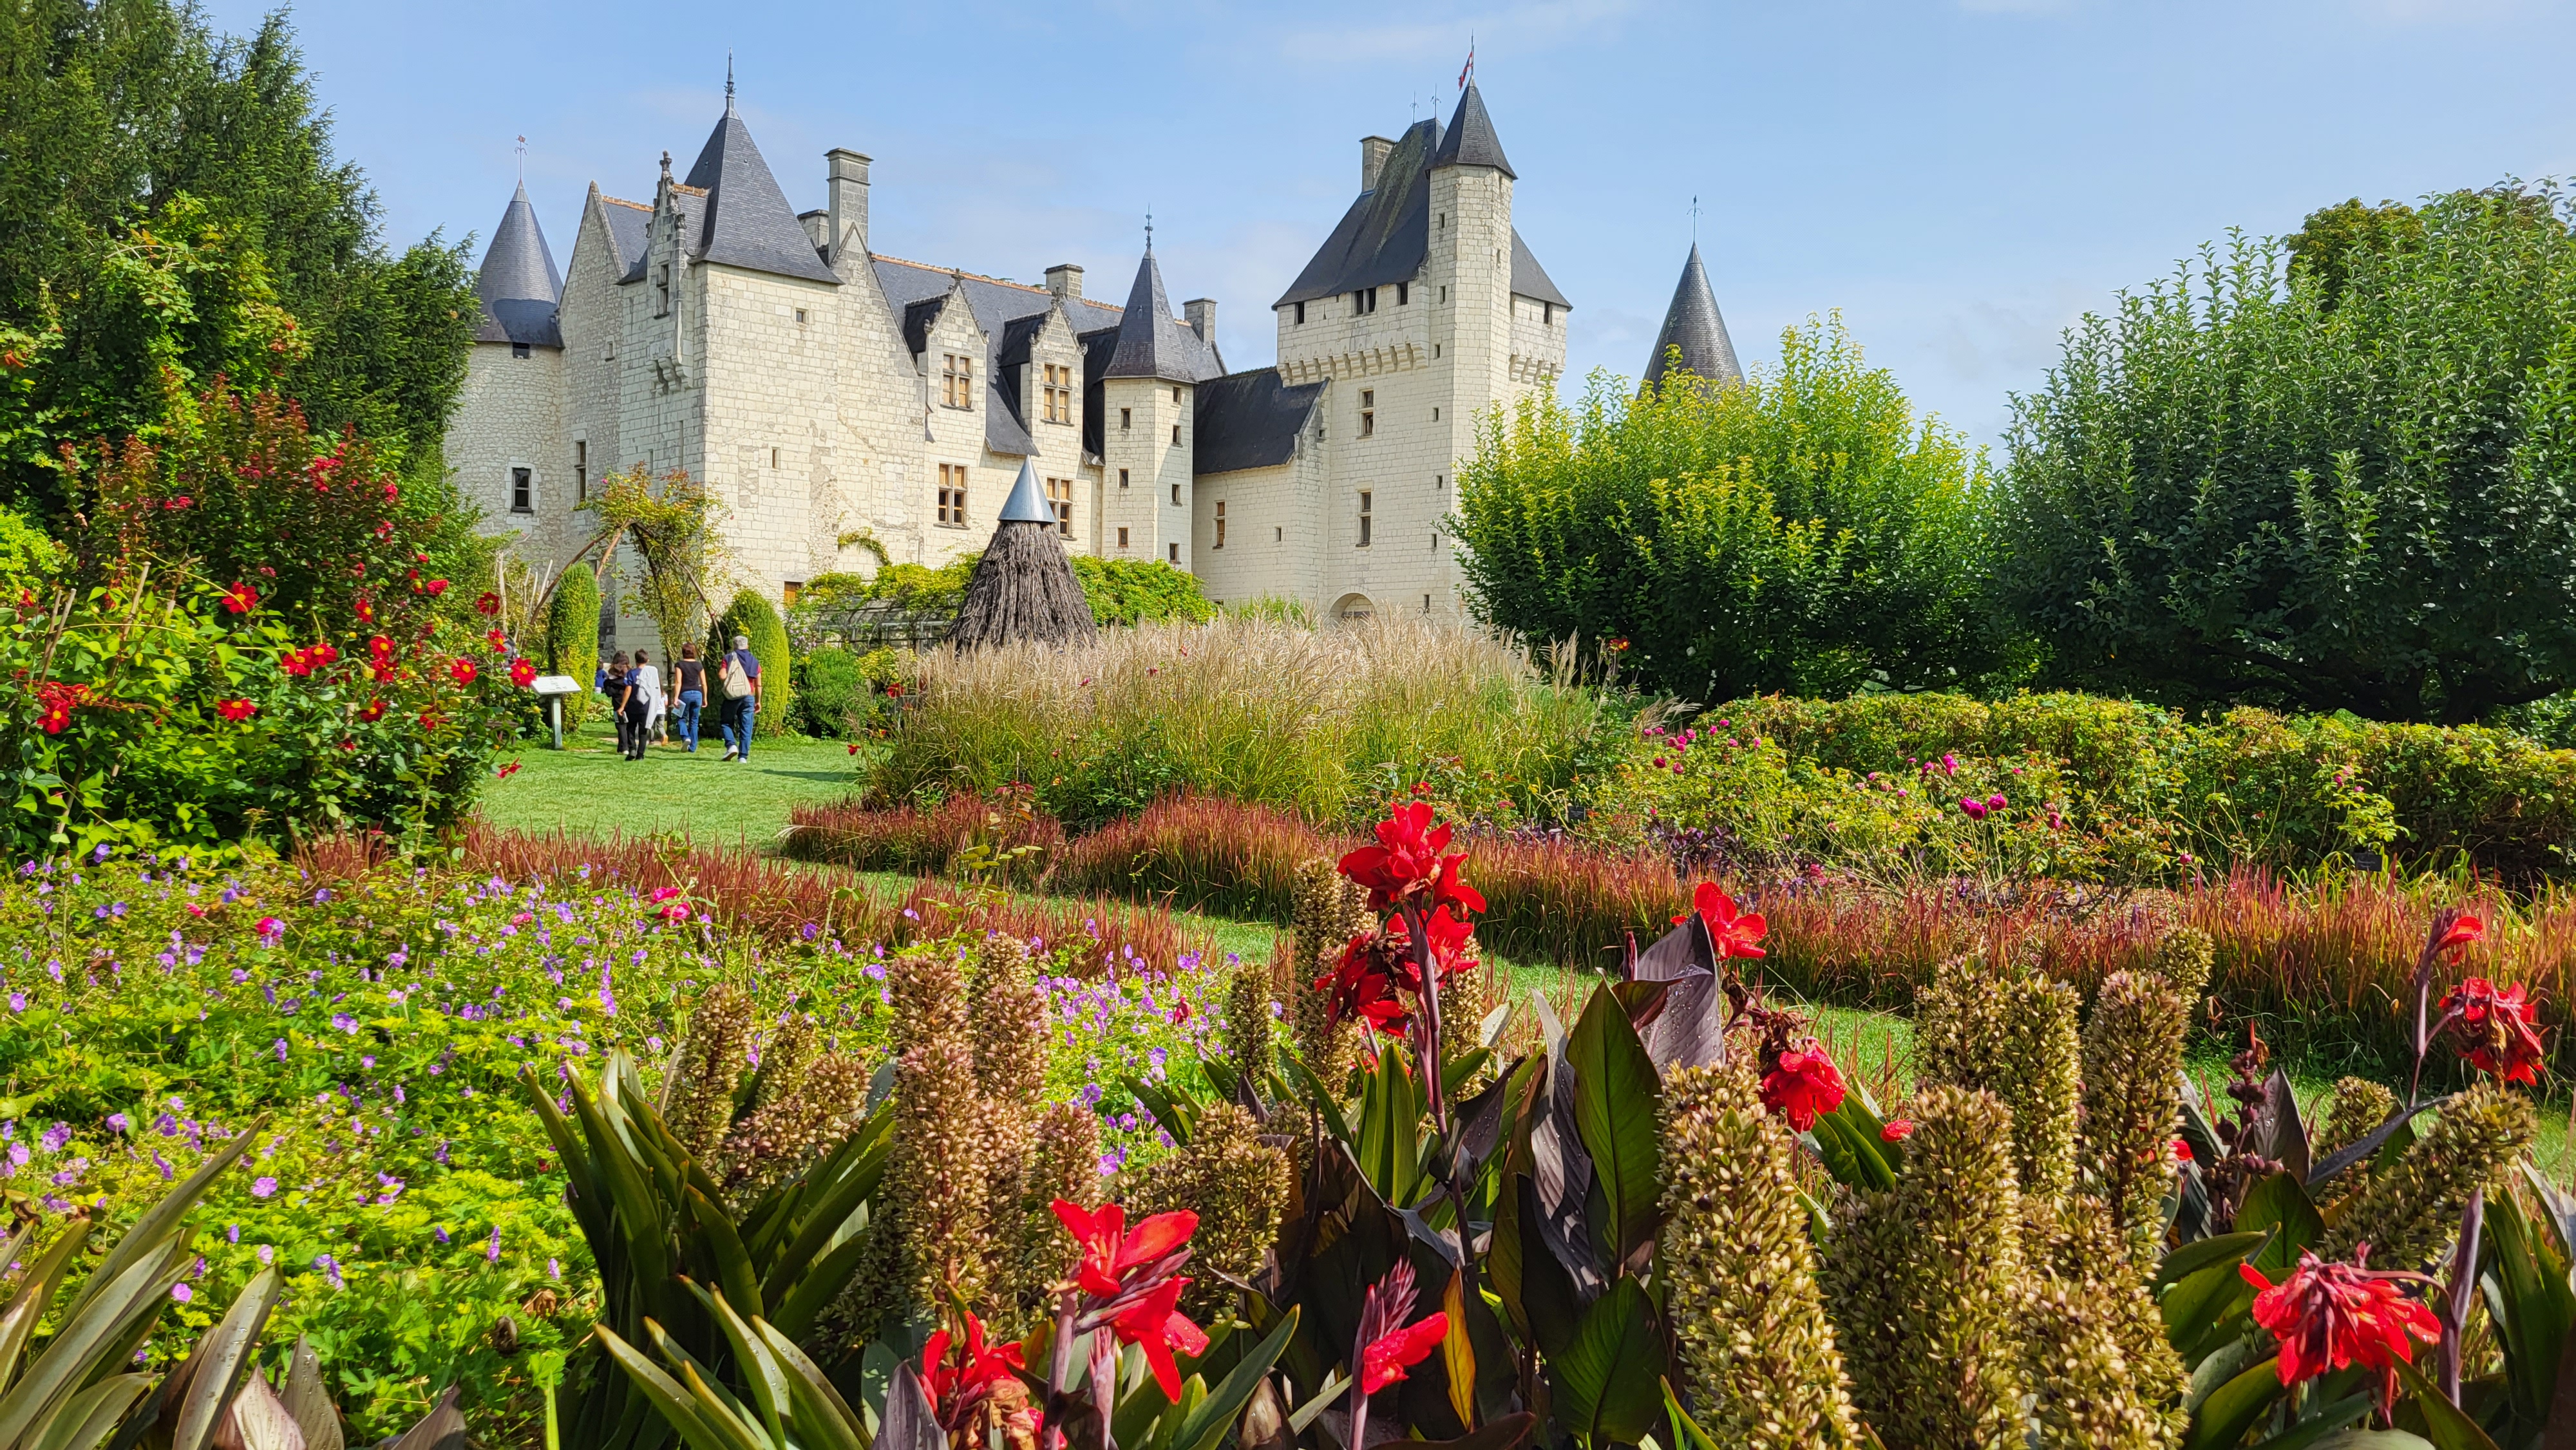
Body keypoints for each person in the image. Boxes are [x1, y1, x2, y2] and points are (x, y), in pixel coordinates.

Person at [719, 632, 761, 763]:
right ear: (747, 645)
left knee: (726, 722)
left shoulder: (729, 657)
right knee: (746, 726)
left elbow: (722, 676)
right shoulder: (755, 661)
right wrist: (758, 701)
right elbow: (758, 683)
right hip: (749, 695)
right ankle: (743, 757)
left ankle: (731, 745)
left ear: (734, 646)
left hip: (733, 695)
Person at [672, 642, 706, 753]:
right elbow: (704, 683)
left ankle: (686, 737)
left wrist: (676, 697)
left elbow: (678, 682)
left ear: (683, 653)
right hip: (697, 694)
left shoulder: (679, 665)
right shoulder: (699, 665)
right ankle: (693, 747)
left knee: (681, 719)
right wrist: (705, 697)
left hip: (684, 694)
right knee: (694, 721)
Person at [631, 648, 663, 755]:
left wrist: (623, 705)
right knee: (643, 730)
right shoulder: (652, 673)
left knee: (630, 728)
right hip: (647, 705)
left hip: (633, 704)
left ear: (636, 661)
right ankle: (641, 753)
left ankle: (632, 749)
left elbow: (628, 689)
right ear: (647, 660)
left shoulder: (632, 673)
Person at [603, 652, 634, 757]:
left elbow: (609, 692)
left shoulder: (611, 678)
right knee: (628, 725)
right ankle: (625, 746)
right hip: (630, 702)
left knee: (621, 725)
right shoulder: (631, 675)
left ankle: (624, 747)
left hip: (618, 702)